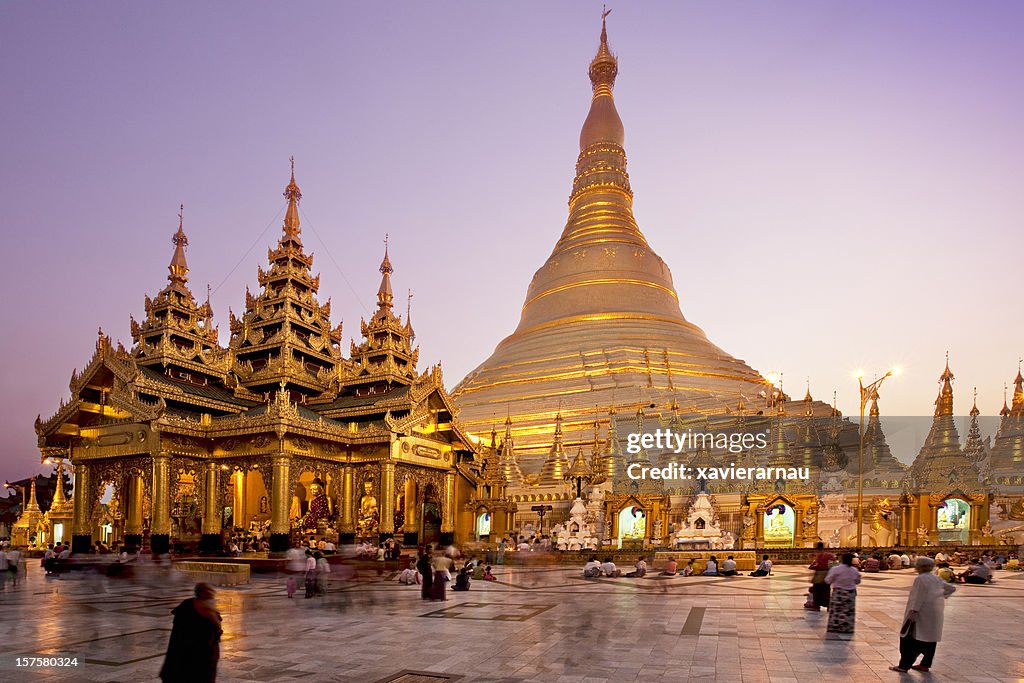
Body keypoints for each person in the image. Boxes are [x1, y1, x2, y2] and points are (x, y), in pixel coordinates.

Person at [891, 557, 956, 673]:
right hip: (935, 612)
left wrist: (913, 612)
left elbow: (918, 597)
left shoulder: (920, 579)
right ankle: (925, 664)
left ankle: (904, 665)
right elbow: (951, 588)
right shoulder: (936, 578)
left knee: (909, 639)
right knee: (930, 638)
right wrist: (939, 596)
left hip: (920, 613)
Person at [159, 583, 222, 683]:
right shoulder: (201, 607)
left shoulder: (193, 604)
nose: (212, 593)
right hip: (198, 653)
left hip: (193, 650)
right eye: (209, 591)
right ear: (201, 593)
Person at [825, 553, 862, 634]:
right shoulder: (854, 570)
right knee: (848, 611)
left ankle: (835, 626)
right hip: (850, 593)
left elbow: (828, 580)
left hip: (838, 592)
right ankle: (846, 627)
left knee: (836, 610)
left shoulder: (836, 569)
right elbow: (857, 581)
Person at [808, 542, 834, 610]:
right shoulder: (830, 555)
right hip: (827, 575)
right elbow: (833, 566)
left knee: (817, 591)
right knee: (826, 591)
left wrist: (813, 566)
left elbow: (816, 565)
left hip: (819, 576)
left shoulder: (820, 555)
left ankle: (816, 606)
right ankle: (828, 606)